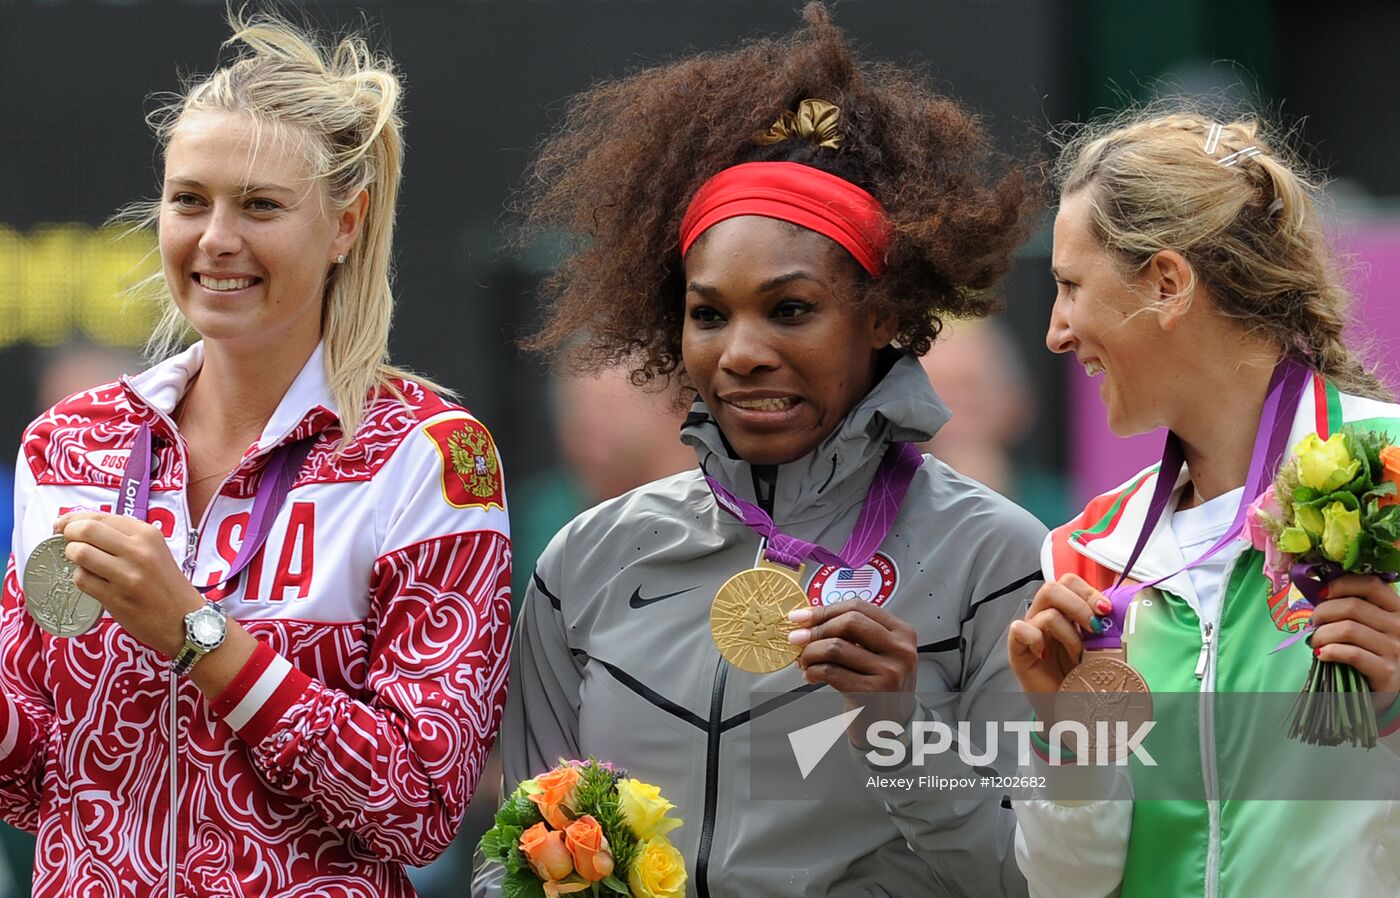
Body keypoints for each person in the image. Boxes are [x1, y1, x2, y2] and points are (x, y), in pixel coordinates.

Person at [479, 5, 1043, 896]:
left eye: (789, 309)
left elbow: (1031, 879)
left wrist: (901, 727)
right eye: (709, 314)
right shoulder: (584, 561)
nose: (739, 352)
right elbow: (512, 860)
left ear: (885, 315)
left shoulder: (999, 561)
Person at [2, 12, 511, 896]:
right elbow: (29, 778)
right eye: (189, 199)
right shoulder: (69, 441)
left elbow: (423, 804)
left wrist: (199, 635)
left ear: (346, 225)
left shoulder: (429, 457)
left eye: (261, 205)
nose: (215, 239)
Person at [1008, 110, 1400, 897]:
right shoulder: (1084, 555)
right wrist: (1066, 743)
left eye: (1071, 287)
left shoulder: (1390, 474)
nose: (1055, 331)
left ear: (1166, 284)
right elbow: (1068, 883)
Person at [917, 320, 1071, 526]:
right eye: (938, 387)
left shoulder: (1067, 514)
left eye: (970, 385)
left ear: (1016, 399)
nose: (954, 407)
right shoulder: (879, 510)